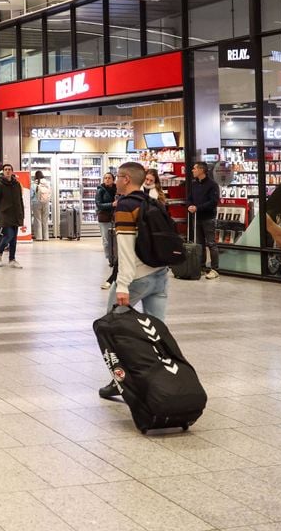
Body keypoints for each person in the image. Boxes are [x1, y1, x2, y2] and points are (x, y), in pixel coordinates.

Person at [99, 162, 172, 400]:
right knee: (157, 330)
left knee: (114, 328)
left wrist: (122, 285)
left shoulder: (125, 206)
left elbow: (126, 250)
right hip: (160, 274)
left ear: (126, 179)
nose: (115, 180)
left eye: (118, 176)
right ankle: (163, 377)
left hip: (137, 278)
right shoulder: (153, 202)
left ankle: (120, 380)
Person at [186, 162, 221, 279]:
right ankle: (201, 267)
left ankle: (215, 269)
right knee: (200, 244)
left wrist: (197, 208)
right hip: (197, 217)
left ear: (201, 170)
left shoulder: (212, 185)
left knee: (211, 244)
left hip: (208, 218)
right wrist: (190, 205)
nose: (192, 170)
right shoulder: (194, 184)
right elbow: (189, 198)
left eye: (194, 168)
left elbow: (213, 202)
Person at [0, 164, 25, 268]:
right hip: (5, 214)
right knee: (8, 235)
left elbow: (20, 200)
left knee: (14, 238)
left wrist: (22, 214)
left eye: (9, 169)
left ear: (12, 171)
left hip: (15, 214)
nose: (7, 171)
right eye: (5, 169)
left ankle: (12, 259)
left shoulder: (17, 184)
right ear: (3, 171)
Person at [96, 173, 117, 266]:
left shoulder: (118, 189)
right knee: (106, 239)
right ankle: (110, 259)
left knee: (117, 238)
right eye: (105, 178)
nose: (107, 179)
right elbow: (99, 204)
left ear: (113, 179)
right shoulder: (100, 190)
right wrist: (112, 204)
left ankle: (116, 257)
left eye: (109, 178)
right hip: (104, 217)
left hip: (116, 217)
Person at [30, 170, 52, 241]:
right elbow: (50, 193)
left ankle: (39, 237)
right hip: (46, 203)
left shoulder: (34, 184)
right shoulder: (47, 183)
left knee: (38, 220)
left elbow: (31, 195)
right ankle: (46, 237)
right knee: (45, 220)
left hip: (36, 203)